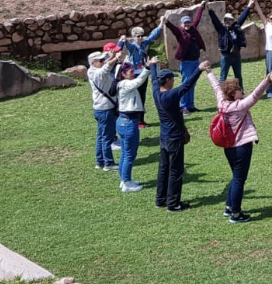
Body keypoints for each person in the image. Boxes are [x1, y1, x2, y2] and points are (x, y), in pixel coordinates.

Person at [208, 70, 272, 223]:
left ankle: (229, 206)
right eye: (239, 89)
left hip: (229, 148)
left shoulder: (222, 103)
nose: (242, 91)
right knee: (239, 179)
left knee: (236, 177)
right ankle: (236, 214)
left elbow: (216, 88)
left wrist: (208, 72)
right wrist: (267, 80)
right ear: (233, 94)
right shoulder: (239, 106)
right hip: (241, 148)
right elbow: (255, 95)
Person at [150, 57, 209, 212]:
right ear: (168, 80)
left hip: (163, 138)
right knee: (176, 171)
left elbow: (153, 79)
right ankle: (173, 203)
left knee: (164, 169)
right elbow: (187, 85)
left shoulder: (156, 92)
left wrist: (152, 65)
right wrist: (200, 69)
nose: (174, 82)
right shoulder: (171, 95)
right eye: (172, 79)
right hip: (174, 138)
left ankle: (160, 200)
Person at [162, 2, 208, 114]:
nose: (187, 24)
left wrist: (201, 7)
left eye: (188, 22)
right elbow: (172, 28)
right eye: (185, 22)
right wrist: (166, 21)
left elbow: (197, 19)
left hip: (195, 61)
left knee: (192, 83)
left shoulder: (193, 30)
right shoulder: (180, 32)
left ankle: (191, 105)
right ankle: (183, 107)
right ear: (182, 24)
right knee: (186, 84)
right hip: (186, 62)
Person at [114, 62, 151, 192]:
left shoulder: (122, 84)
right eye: (130, 71)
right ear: (123, 74)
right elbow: (138, 81)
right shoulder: (125, 84)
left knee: (125, 153)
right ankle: (127, 183)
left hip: (123, 121)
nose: (133, 73)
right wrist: (147, 68)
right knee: (130, 154)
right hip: (128, 123)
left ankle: (124, 179)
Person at [119, 25, 163, 126]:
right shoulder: (132, 46)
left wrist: (160, 24)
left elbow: (152, 36)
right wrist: (124, 40)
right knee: (136, 97)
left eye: (141, 36)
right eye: (138, 36)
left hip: (143, 73)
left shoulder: (144, 44)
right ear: (133, 37)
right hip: (134, 75)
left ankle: (141, 120)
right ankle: (136, 120)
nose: (140, 38)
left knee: (142, 96)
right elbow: (127, 44)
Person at [88, 48, 123, 171]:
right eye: (101, 60)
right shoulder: (99, 73)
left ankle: (100, 161)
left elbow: (105, 65)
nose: (103, 61)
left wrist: (111, 57)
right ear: (93, 62)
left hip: (100, 108)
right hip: (105, 109)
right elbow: (107, 67)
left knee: (101, 136)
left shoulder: (91, 71)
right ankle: (108, 163)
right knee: (107, 138)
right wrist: (115, 58)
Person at [209, 0, 254, 82]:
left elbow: (242, 17)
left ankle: (241, 92)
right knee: (223, 77)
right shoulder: (221, 29)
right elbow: (215, 20)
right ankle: (221, 94)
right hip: (226, 56)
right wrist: (210, 11)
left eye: (230, 20)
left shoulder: (236, 27)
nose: (229, 21)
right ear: (224, 20)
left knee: (238, 77)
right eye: (227, 20)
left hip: (236, 55)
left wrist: (248, 6)